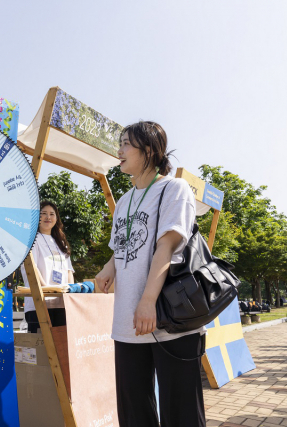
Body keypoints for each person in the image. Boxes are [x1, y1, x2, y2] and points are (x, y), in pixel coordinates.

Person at [95, 121, 205, 426]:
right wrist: (108, 268)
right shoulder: (124, 202)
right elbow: (122, 247)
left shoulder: (174, 188)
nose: (119, 150)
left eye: (126, 144)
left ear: (149, 151)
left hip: (170, 319)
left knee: (181, 414)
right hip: (127, 322)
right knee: (134, 414)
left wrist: (147, 300)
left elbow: (166, 247)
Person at [19, 200, 74, 333]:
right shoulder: (31, 239)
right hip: (39, 303)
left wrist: (71, 292)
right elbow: (32, 268)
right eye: (43, 213)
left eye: (52, 214)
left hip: (61, 303)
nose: (48, 217)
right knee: (42, 349)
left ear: (56, 218)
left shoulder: (61, 242)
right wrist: (46, 290)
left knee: (61, 348)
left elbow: (69, 271)